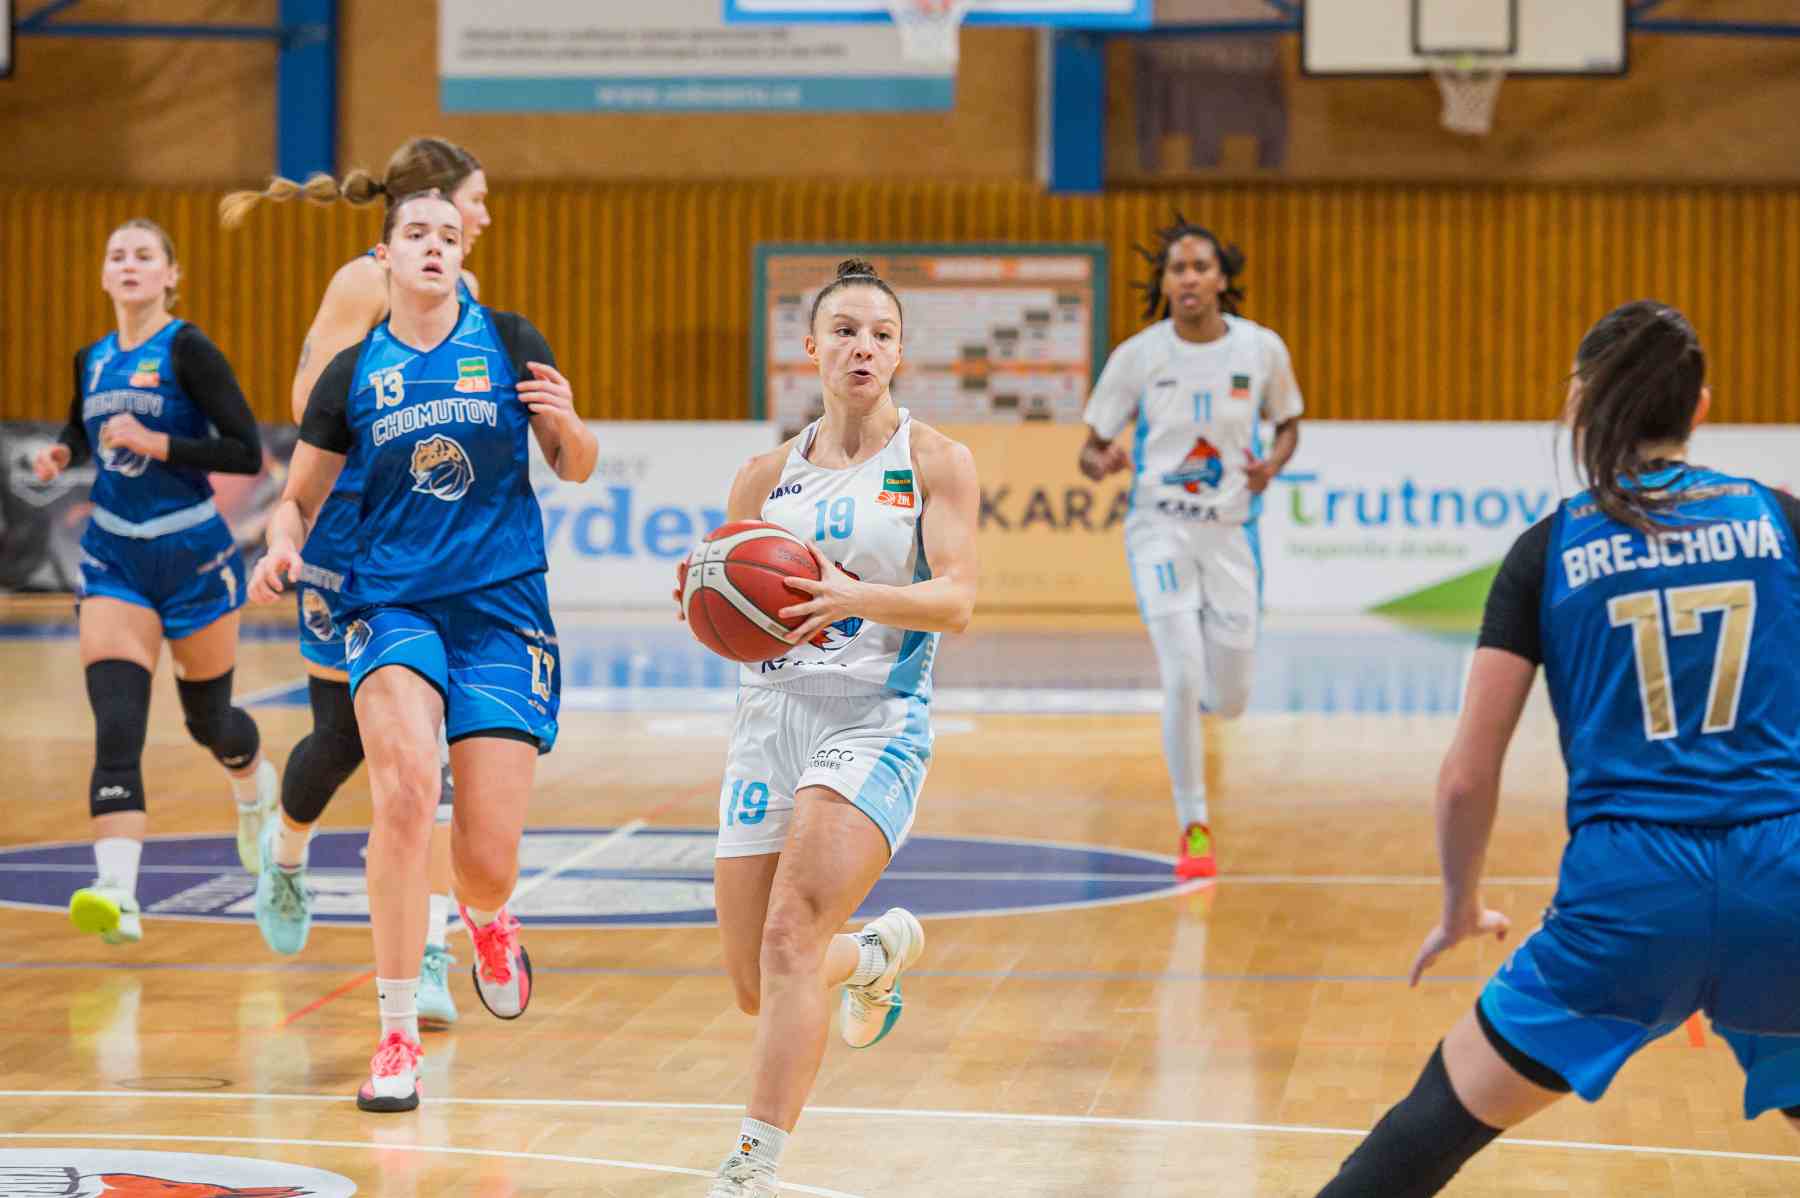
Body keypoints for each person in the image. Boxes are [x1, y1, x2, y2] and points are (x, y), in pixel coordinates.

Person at [1314, 301, 1800, 1197]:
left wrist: (1460, 905)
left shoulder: (1549, 551)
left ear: (1580, 402)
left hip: (1627, 901)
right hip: (1784, 882)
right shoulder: (1782, 521)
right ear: (1699, 408)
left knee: (1428, 1130)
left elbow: (1467, 779)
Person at [248, 190, 595, 1112]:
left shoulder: (510, 339)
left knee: (486, 859)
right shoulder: (354, 372)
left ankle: (487, 912)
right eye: (416, 235)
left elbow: (575, 464)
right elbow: (299, 499)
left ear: (461, 255)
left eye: (448, 235)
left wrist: (566, 421)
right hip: (390, 602)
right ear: (386, 256)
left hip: (502, 608)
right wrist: (281, 545)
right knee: (404, 790)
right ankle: (396, 1034)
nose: (435, 247)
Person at [690, 259, 978, 1197]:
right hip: (768, 719)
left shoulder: (934, 461)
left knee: (788, 941)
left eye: (882, 334)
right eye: (846, 331)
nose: (864, 348)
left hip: (873, 716)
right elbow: (728, 600)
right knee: (756, 981)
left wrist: (857, 596)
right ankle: (875, 954)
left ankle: (752, 1166)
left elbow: (957, 599)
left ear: (899, 353)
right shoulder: (762, 477)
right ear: (811, 348)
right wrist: (705, 600)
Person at [221, 137, 490, 1025]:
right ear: (427, 203)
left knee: (431, 757)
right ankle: (285, 855)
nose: (484, 217)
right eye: (476, 198)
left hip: (429, 543)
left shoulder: (468, 294)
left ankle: (432, 950)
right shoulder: (361, 282)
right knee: (339, 741)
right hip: (344, 527)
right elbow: (312, 407)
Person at [32, 219, 275, 945]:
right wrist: (62, 452)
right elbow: (81, 429)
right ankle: (117, 891)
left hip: (193, 556)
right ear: (105, 275)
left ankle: (252, 784)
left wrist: (157, 442)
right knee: (117, 727)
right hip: (115, 560)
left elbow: (245, 452)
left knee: (210, 724)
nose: (129, 264)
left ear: (171, 275)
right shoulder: (92, 358)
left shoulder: (189, 349)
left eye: (144, 255)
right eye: (118, 256)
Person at [1077, 216, 1303, 879]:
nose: (1189, 278)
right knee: (1180, 674)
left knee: (1229, 699)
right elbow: (1090, 448)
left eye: (1201, 266)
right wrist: (1101, 460)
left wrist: (1271, 466)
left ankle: (1208, 689)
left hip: (1231, 534)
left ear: (1222, 279)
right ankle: (1193, 825)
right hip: (1161, 529)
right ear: (1165, 283)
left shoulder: (1260, 349)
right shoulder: (1139, 356)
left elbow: (1289, 424)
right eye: (1177, 268)